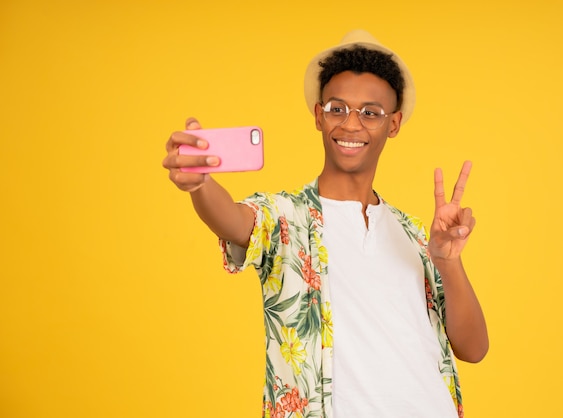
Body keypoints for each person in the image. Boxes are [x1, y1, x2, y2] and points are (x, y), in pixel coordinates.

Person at [162, 29, 488, 418]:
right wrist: (200, 183)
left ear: (394, 124)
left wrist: (448, 262)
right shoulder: (285, 218)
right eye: (337, 108)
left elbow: (473, 349)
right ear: (319, 116)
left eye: (370, 113)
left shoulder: (416, 235)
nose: (351, 124)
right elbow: (233, 220)